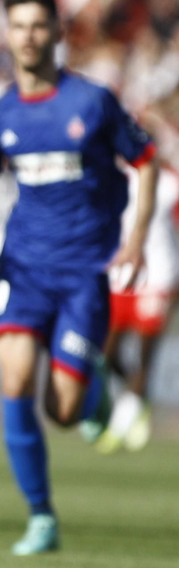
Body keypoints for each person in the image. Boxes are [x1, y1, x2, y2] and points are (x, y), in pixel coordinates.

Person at [0, 0, 156, 555]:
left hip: (83, 274)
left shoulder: (91, 103)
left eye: (39, 25)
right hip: (22, 268)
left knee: (61, 411)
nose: (28, 36)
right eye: (18, 26)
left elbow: (147, 160)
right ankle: (41, 517)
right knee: (14, 378)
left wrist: (136, 238)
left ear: (58, 32)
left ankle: (91, 400)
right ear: (7, 34)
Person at [97, 163, 177, 453]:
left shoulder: (170, 184)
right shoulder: (116, 178)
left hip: (158, 276)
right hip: (122, 276)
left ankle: (122, 423)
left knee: (145, 354)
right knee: (106, 354)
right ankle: (136, 398)